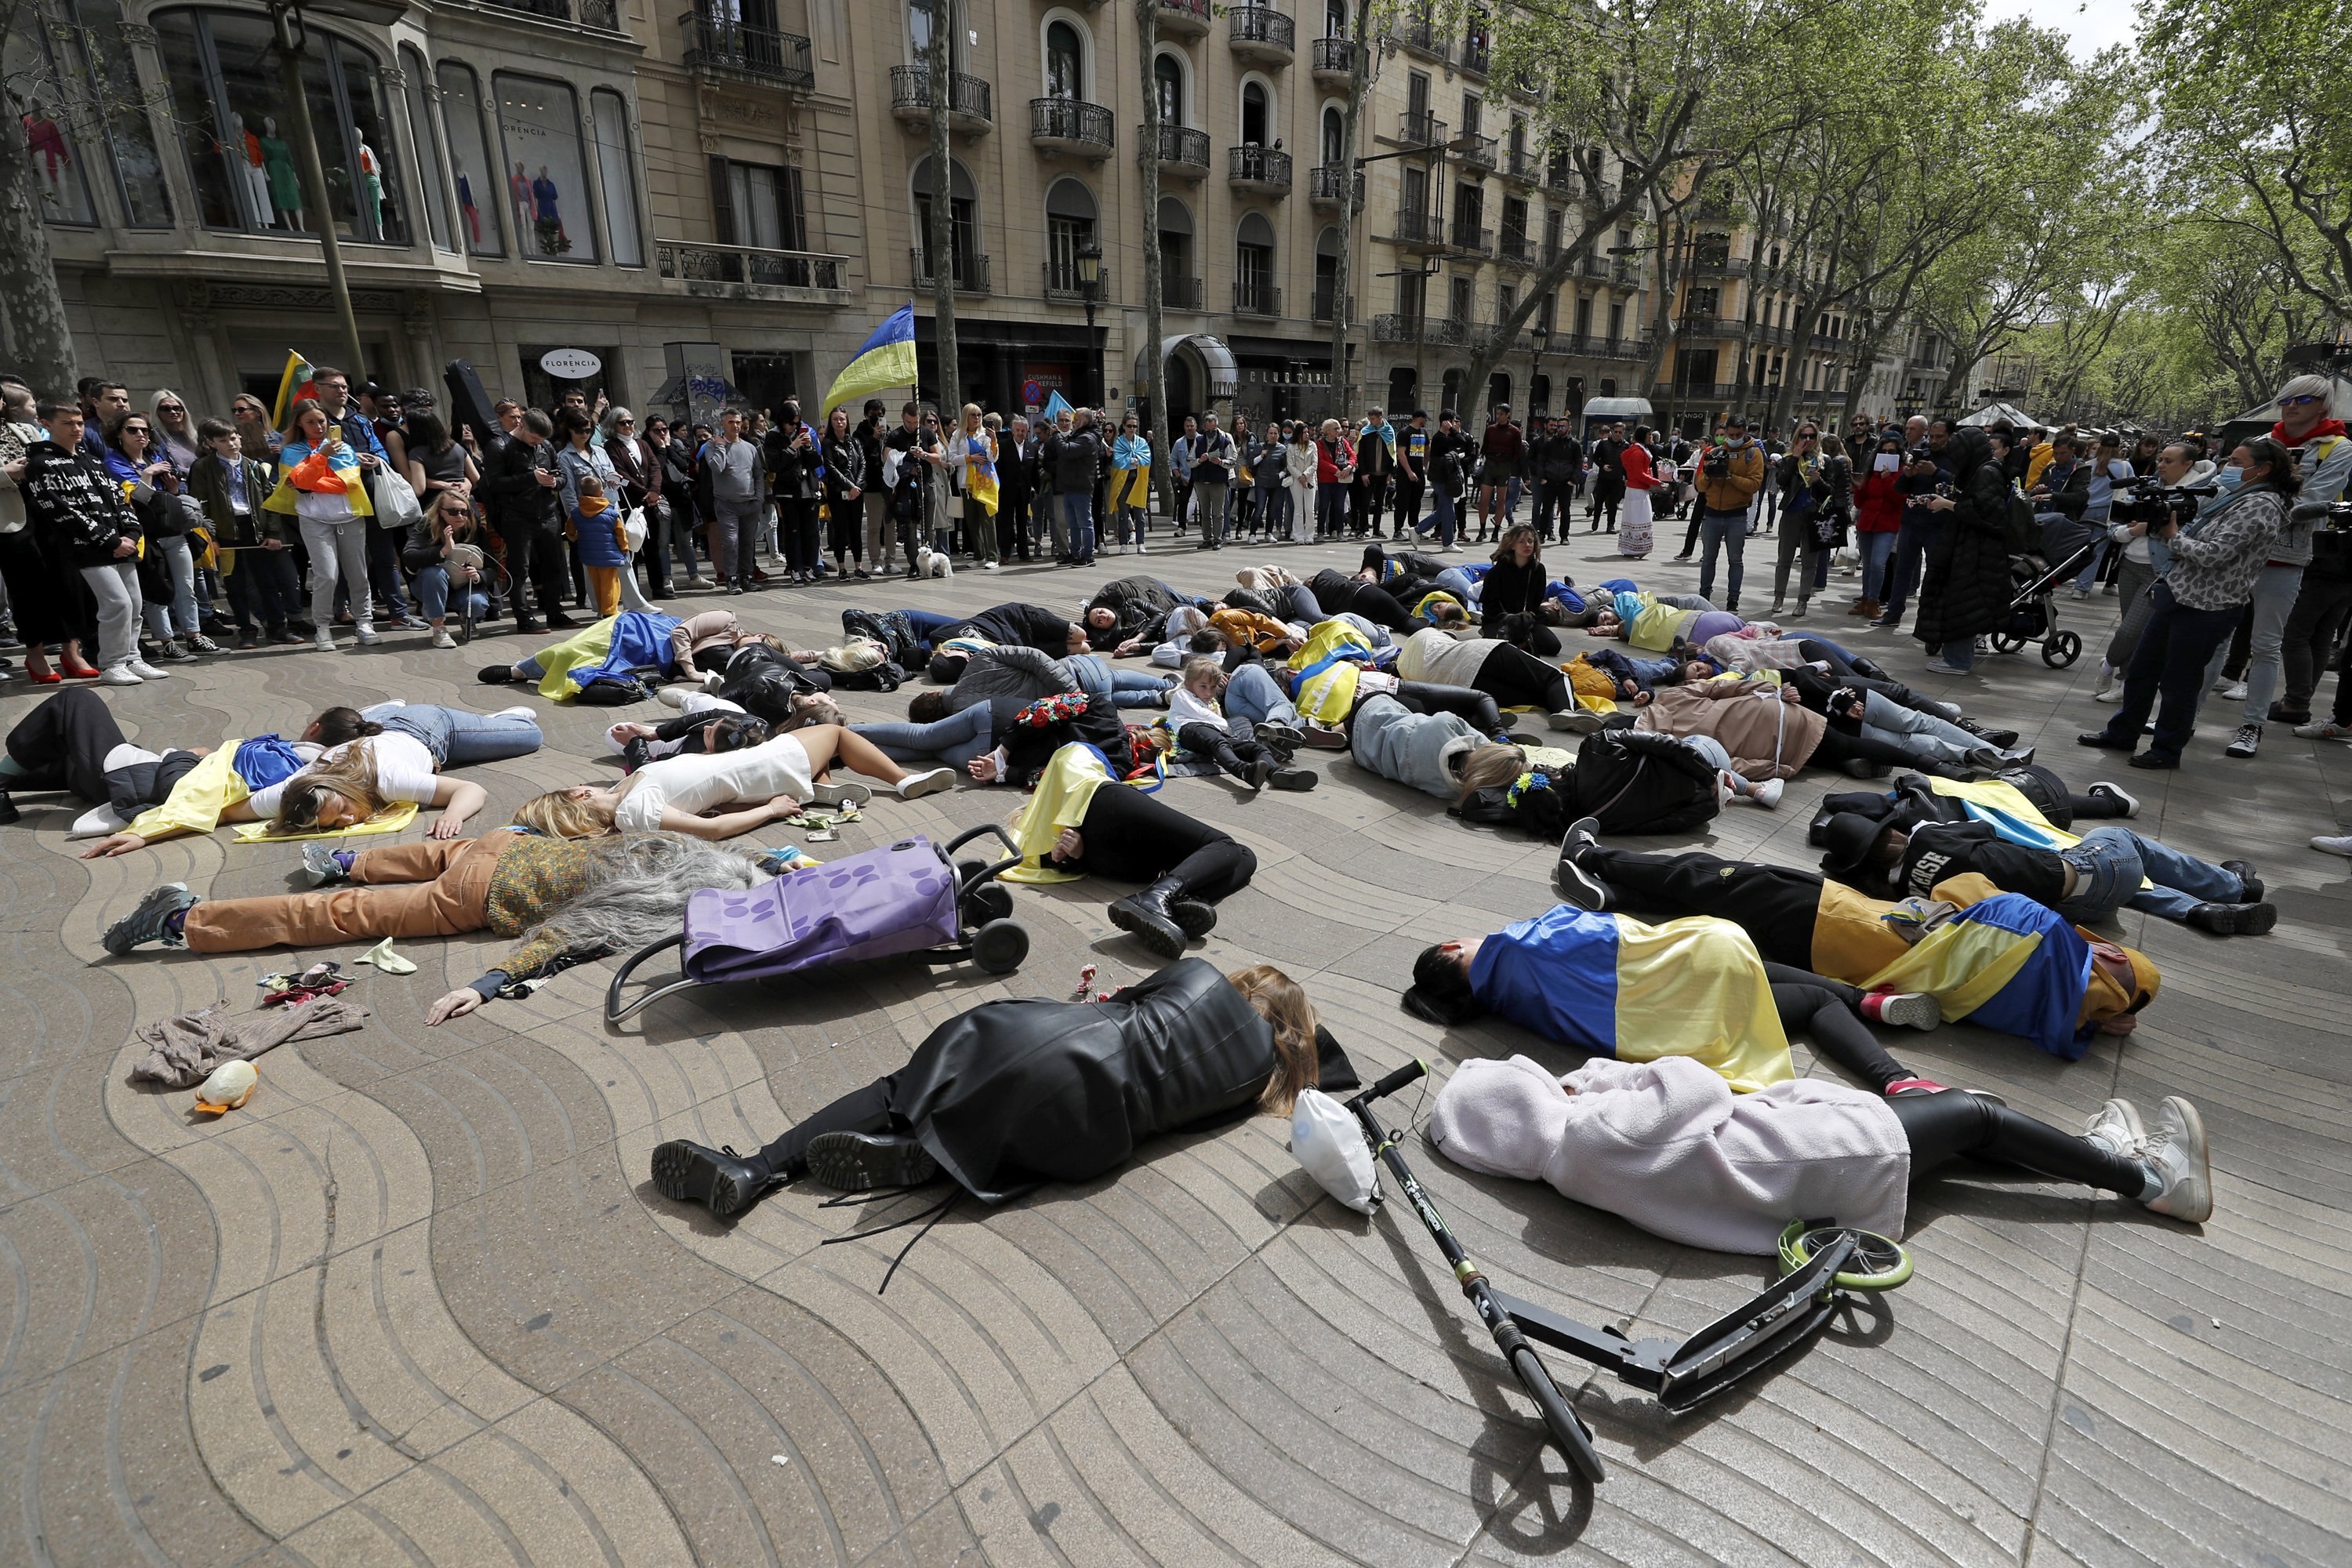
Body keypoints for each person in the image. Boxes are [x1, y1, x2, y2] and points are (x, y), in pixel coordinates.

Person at [650, 958, 1356, 1214]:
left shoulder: (1201, 973)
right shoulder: (1251, 1088)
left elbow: (1124, 1007)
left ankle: (756, 1168)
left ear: (1247, 984)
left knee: (904, 1084)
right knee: (1024, 1115)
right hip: (1097, 1134)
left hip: (1065, 1043)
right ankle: (928, 1159)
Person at [1424, 1048, 2212, 1256]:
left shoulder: (1568, 1155)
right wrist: (1602, 1078)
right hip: (1815, 1156)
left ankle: (2091, 1151)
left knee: (1971, 1127)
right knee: (1974, 1113)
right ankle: (2147, 1178)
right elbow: (1690, 1081)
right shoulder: (1589, 1136)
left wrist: (1588, 1085)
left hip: (1802, 1164)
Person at [1553, 829, 2158, 1061]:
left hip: (1846, 919)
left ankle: (1592, 859)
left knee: (1712, 877)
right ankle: (1610, 897)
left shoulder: (2040, 933)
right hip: (1839, 964)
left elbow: (1961, 885)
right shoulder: (2047, 1016)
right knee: (1717, 909)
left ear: (2109, 955)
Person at [2080, 436, 2297, 770]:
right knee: (2141, 669)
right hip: (2180, 594)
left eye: (2237, 463)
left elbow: (2215, 554)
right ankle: (2123, 732)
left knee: (2179, 682)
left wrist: (2173, 535)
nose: (2227, 468)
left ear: (2263, 470)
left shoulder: (2261, 505)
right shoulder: (2235, 495)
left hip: (2209, 606)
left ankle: (2166, 750)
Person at [998, 742, 1261, 958]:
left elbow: (1045, 856)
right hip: (1109, 802)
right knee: (1224, 845)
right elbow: (1073, 753)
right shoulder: (1076, 772)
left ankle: (1182, 904)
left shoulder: (1045, 828)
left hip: (1109, 858)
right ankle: (1159, 897)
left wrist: (1076, 856)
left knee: (1242, 855)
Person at [2214, 373, 2352, 758]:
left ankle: (2251, 726)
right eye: (2287, 399)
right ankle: (2183, 715)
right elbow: (2228, 485)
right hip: (2235, 550)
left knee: (2267, 646)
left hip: (2286, 557)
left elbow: (2316, 500)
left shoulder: (2338, 447)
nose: (2292, 406)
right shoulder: (2263, 442)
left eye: (2303, 400)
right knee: (2215, 638)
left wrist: (2255, 501)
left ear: (2323, 406)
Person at [21, 397, 154, 684]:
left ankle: (132, 657)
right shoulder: (40, 464)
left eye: (80, 422)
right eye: (67, 423)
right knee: (116, 604)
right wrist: (109, 540)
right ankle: (112, 663)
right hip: (88, 549)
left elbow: (119, 501)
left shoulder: (92, 460)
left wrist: (131, 533)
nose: (76, 428)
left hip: (121, 544)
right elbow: (60, 510)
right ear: (46, 424)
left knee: (134, 602)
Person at [103, 409, 208, 661]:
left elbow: (167, 499)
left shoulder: (155, 456)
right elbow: (135, 501)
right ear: (119, 434)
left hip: (172, 530)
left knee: (186, 586)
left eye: (145, 430)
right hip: (145, 536)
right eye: (132, 430)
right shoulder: (113, 463)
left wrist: (172, 489)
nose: (141, 434)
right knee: (158, 591)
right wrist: (148, 474)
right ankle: (168, 642)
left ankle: (194, 636)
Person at [1911, 426, 2015, 675]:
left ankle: (1958, 660)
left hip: (1976, 551)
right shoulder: (1981, 469)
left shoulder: (1986, 472)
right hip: (1969, 548)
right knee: (1962, 602)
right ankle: (1958, 657)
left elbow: (1988, 514)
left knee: (1961, 602)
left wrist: (1948, 504)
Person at [479, 406, 575, 632]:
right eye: (534, 438)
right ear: (521, 425)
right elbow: (494, 484)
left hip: (548, 514)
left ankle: (555, 612)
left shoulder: (546, 446)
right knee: (520, 569)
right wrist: (530, 478)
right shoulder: (500, 446)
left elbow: (561, 475)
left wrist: (554, 482)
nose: (537, 443)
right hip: (517, 517)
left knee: (554, 566)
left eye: (542, 439)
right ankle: (523, 616)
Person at [1167, 655, 1316, 792]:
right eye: (1203, 686)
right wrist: (1224, 724)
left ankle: (1277, 773)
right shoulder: (1182, 695)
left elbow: (1216, 724)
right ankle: (1243, 770)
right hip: (1188, 731)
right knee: (1218, 741)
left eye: (1213, 687)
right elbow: (1201, 715)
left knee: (1255, 748)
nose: (1209, 692)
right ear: (1188, 684)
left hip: (1211, 733)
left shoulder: (1210, 703)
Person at [1396, 623, 1583, 729]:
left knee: (1534, 696)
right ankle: (1567, 711)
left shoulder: (1404, 666)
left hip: (1465, 686)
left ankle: (1481, 716)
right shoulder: (1429, 634)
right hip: (1482, 653)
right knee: (1554, 677)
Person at [1767, 427, 1845, 619]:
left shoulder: (1824, 460)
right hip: (1791, 514)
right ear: (1797, 438)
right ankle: (1779, 598)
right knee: (1784, 559)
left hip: (1815, 514)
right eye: (1804, 436)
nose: (1807, 440)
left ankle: (1802, 601)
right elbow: (1782, 481)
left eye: (1812, 436)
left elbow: (1830, 491)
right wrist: (1795, 457)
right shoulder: (1788, 458)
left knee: (1810, 563)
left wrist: (1818, 481)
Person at [1693, 415, 1766, 610]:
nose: (1733, 438)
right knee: (1708, 558)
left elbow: (1754, 485)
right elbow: (1700, 486)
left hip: (1737, 515)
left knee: (1735, 559)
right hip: (1712, 513)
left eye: (1738, 434)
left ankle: (1733, 599)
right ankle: (1704, 597)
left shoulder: (1753, 453)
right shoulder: (1715, 451)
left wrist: (1730, 476)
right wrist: (1709, 473)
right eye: (1730, 434)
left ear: (1745, 432)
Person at [699, 409, 763, 593]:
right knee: (730, 542)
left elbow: (758, 474)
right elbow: (717, 468)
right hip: (726, 504)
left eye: (737, 422)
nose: (735, 426)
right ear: (722, 424)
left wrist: (758, 499)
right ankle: (732, 578)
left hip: (750, 503)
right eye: (730, 423)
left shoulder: (750, 447)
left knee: (747, 542)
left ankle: (747, 576)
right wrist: (721, 446)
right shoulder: (712, 446)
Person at [1190, 411, 1236, 549]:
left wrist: (1221, 462)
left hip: (1218, 482)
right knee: (1205, 513)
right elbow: (1189, 460)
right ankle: (1207, 539)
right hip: (1201, 481)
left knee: (1218, 513)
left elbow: (1233, 461)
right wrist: (1200, 460)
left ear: (1217, 427)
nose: (1210, 432)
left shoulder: (1225, 440)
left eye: (1213, 430)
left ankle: (1218, 539)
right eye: (1208, 429)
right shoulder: (1198, 441)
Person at [1616, 424, 1658, 557]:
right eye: (1649, 435)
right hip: (1638, 489)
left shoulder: (1637, 450)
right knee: (1639, 518)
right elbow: (1639, 474)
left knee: (1634, 518)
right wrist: (1657, 482)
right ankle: (1636, 548)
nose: (1651, 437)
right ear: (1643, 436)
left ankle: (1633, 547)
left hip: (1636, 488)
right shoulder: (1638, 452)